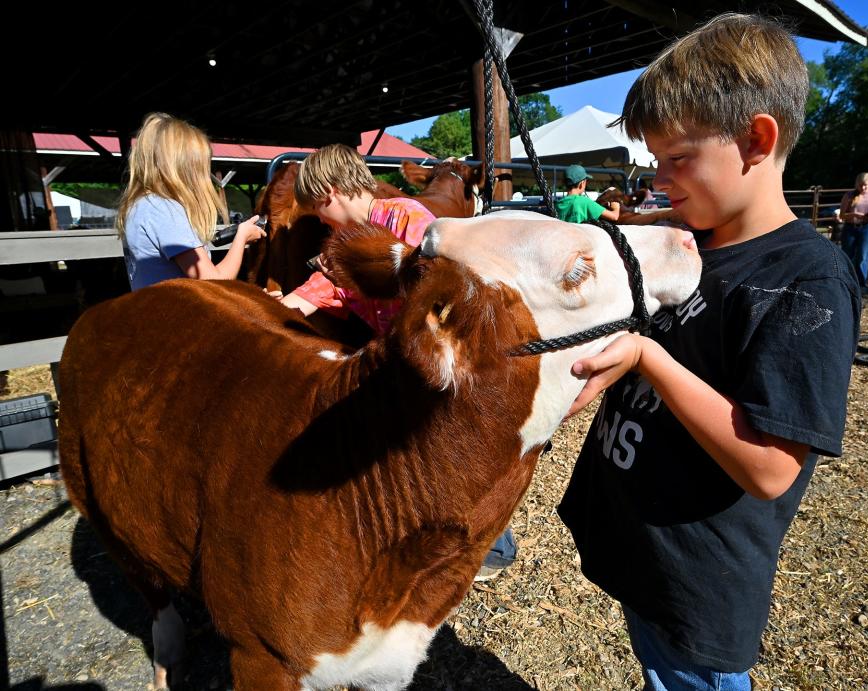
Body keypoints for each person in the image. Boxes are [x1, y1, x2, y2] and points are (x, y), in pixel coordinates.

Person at [557, 13, 861, 691]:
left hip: (700, 581)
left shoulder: (805, 278)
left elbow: (772, 468)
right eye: (656, 160)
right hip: (649, 556)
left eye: (678, 158)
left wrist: (647, 358)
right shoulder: (697, 244)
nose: (660, 178)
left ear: (756, 139)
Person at [277, 143, 518, 580]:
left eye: (317, 210)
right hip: (398, 360)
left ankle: (492, 544)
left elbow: (440, 283)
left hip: (439, 357)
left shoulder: (407, 219)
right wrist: (275, 307)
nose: (320, 220)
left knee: (458, 449)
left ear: (330, 193)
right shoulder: (341, 245)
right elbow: (321, 290)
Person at [117, 112, 265, 290]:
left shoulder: (140, 206)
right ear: (184, 167)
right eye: (201, 166)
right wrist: (241, 238)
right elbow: (213, 282)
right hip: (178, 314)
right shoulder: (163, 209)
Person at [839, 172, 868, 289]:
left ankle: (861, 282)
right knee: (848, 255)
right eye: (860, 185)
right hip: (850, 226)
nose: (863, 188)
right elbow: (842, 215)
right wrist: (854, 214)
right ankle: (846, 281)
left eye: (865, 185)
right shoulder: (849, 195)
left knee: (863, 255)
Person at [555, 164, 621, 223]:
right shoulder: (584, 202)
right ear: (582, 184)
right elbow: (614, 217)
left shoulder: (558, 204)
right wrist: (616, 208)